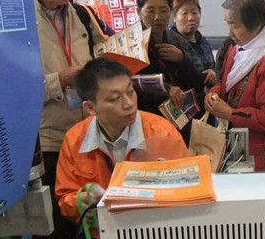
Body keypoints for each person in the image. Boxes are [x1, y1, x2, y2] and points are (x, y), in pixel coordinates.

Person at [27, 0, 106, 239]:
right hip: (49, 142)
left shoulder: (82, 15)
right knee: (55, 233)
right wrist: (57, 81)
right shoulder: (19, 24)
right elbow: (9, 93)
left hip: (88, 139)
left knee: (92, 226)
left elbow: (102, 53)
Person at [55, 58, 186, 226]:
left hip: (155, 230)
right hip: (102, 234)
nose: (129, 104)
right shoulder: (74, 140)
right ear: (90, 108)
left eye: (130, 92)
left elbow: (188, 189)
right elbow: (65, 197)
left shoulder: (163, 133)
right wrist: (80, 204)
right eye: (115, 98)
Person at [205, 0, 265, 172]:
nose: (229, 31)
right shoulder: (236, 48)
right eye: (227, 23)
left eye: (234, 25)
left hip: (261, 156)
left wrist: (230, 113)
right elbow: (226, 83)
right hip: (233, 147)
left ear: (255, 24)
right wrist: (214, 94)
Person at [135, 0, 205, 120]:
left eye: (163, 10)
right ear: (139, 12)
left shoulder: (177, 41)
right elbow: (128, 87)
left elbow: (197, 82)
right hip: (147, 119)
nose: (158, 17)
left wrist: (182, 59)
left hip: (180, 117)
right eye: (150, 11)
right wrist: (165, 89)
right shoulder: (131, 45)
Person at [171, 0, 217, 94]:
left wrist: (213, 73)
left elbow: (213, 66)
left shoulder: (202, 41)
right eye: (184, 13)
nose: (191, 18)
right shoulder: (172, 43)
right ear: (174, 17)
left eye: (194, 12)